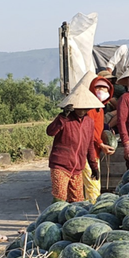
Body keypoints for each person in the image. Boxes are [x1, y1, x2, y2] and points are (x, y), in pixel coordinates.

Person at [47, 73, 101, 203]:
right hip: (60, 165)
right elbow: (50, 132)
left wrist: (94, 167)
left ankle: (71, 222)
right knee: (59, 198)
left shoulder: (89, 122)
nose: (82, 111)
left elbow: (89, 146)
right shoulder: (63, 119)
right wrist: (62, 117)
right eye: (79, 108)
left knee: (77, 201)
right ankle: (55, 220)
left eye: (85, 108)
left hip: (78, 168)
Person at [82, 73, 117, 202]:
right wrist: (101, 144)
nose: (102, 92)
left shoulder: (100, 109)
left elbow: (99, 127)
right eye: (99, 88)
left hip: (94, 152)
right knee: (93, 185)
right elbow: (89, 132)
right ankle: (93, 211)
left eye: (105, 89)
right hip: (87, 152)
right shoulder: (89, 108)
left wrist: (107, 130)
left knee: (92, 184)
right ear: (92, 89)